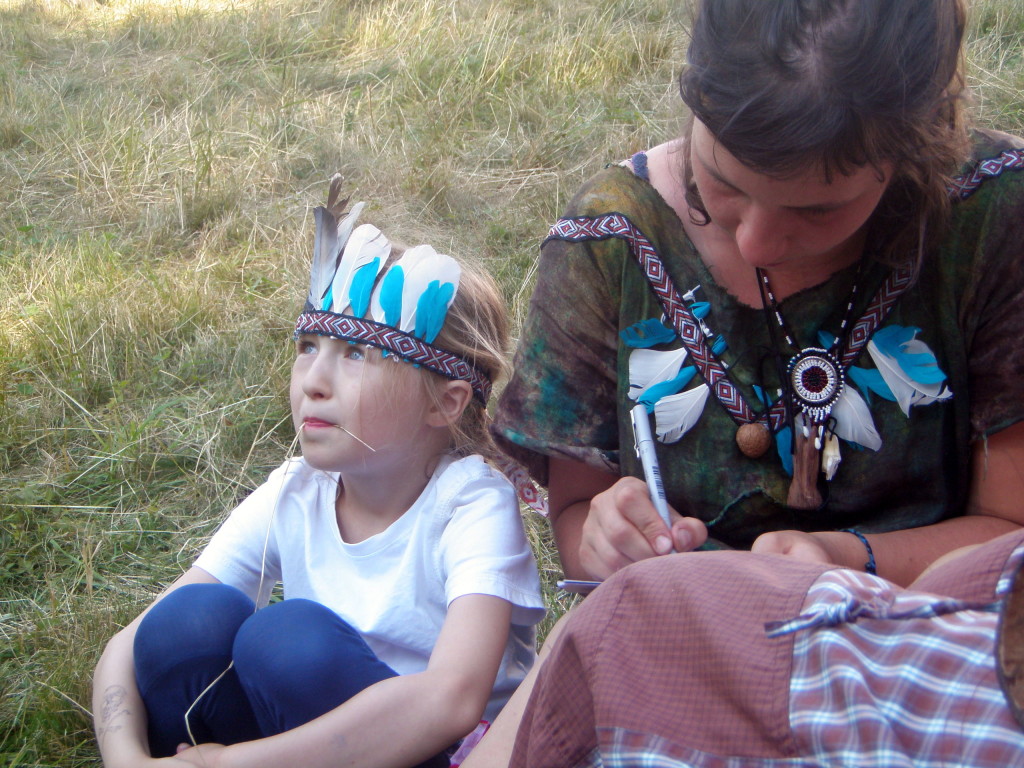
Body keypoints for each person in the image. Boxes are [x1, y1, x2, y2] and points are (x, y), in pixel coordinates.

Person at [492, 0, 1024, 587]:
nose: (756, 244)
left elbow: (1011, 530)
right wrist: (605, 538)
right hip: (684, 629)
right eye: (724, 183)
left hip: (924, 628)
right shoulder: (608, 240)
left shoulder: (996, 220)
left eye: (817, 210)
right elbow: (576, 518)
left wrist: (846, 564)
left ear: (912, 149)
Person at [91, 177, 546, 768]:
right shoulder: (296, 492)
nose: (313, 381)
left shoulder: (471, 506)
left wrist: (225, 763)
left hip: (431, 752)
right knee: (186, 625)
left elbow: (451, 701)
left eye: (356, 354)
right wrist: (125, 757)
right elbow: (126, 646)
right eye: (307, 346)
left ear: (445, 403)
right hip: (307, 745)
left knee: (286, 640)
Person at [509, 528, 1024, 766]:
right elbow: (971, 567)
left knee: (614, 628)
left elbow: (624, 624)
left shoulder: (635, 625)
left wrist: (849, 555)